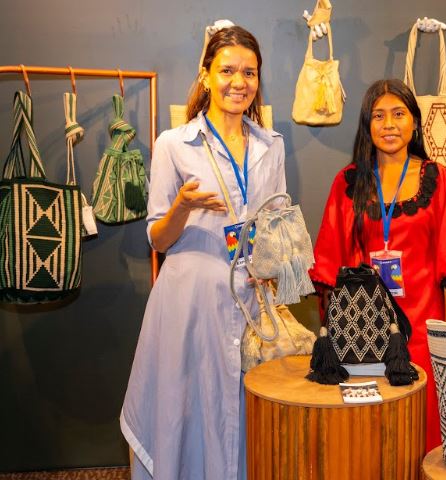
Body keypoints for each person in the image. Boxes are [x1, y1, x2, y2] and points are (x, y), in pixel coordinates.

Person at [120, 20, 286, 480]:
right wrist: (182, 206)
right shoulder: (173, 144)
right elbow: (157, 239)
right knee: (185, 410)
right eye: (228, 70)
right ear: (206, 75)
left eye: (249, 73)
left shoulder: (272, 146)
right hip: (189, 304)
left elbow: (274, 222)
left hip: (251, 301)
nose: (239, 82)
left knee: (242, 412)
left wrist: (273, 262)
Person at [309, 79, 446, 450]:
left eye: (399, 114)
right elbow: (329, 262)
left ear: (415, 123)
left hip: (423, 331)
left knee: (423, 437)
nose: (389, 124)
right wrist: (334, 335)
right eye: (379, 115)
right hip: (362, 333)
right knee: (367, 439)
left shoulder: (439, 179)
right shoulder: (348, 182)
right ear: (367, 126)